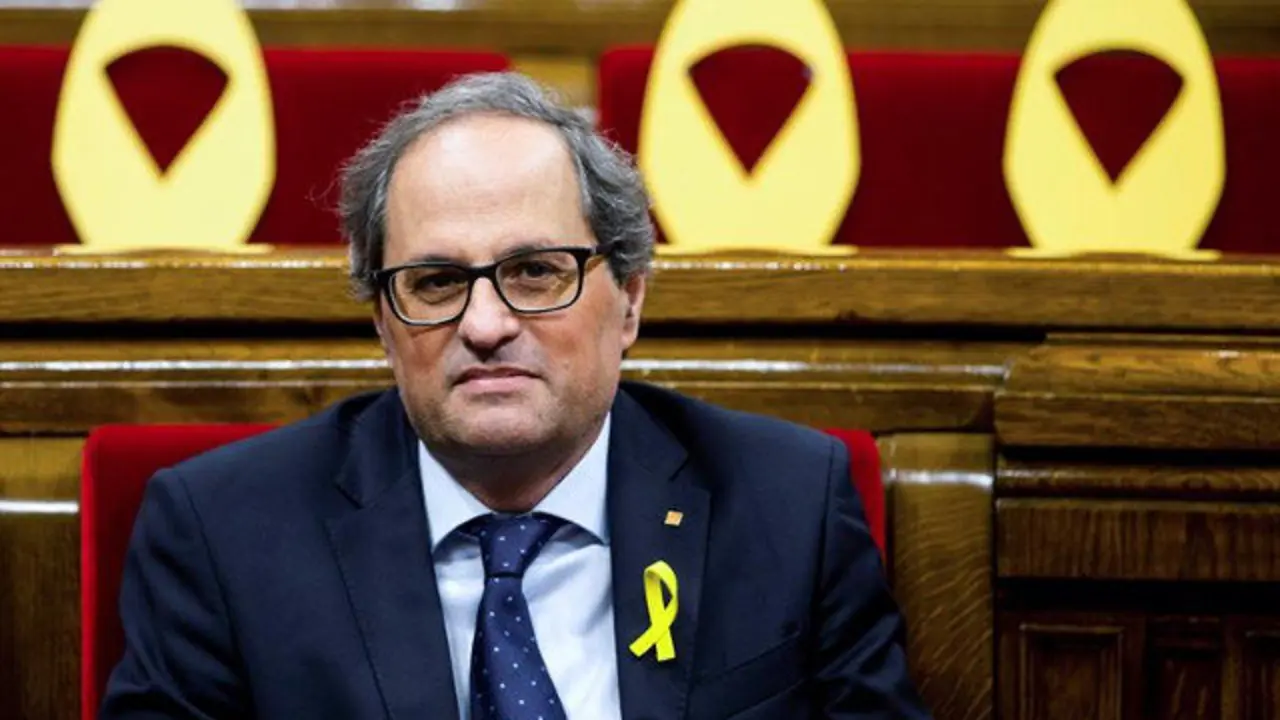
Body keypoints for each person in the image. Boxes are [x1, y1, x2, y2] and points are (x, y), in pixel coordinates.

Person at [101, 72, 931, 719]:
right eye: (434, 282)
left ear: (631, 298)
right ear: (384, 323)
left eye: (536, 272)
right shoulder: (222, 531)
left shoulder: (787, 505)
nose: (487, 324)